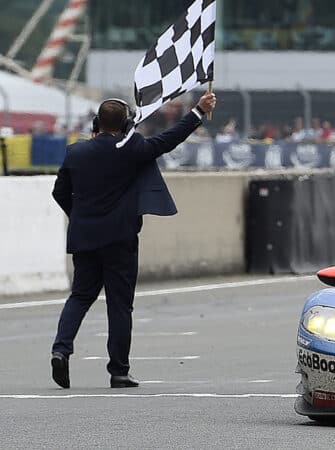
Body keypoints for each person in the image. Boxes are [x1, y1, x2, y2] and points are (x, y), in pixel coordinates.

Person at [49, 92, 217, 389]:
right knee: (119, 304)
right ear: (126, 124)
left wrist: (79, 217)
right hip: (120, 238)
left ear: (97, 123)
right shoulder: (132, 148)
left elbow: (59, 192)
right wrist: (198, 112)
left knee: (80, 296)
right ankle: (119, 371)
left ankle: (61, 350)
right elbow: (168, 140)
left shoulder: (75, 152)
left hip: (84, 236)